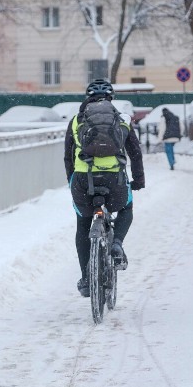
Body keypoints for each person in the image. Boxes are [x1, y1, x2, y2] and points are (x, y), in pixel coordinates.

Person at [64, 79, 145, 297]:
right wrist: (138, 181)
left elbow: (68, 158)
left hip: (83, 182)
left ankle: (86, 278)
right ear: (111, 99)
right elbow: (135, 154)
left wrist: (72, 182)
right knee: (126, 209)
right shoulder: (122, 120)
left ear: (87, 98)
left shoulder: (75, 121)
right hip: (115, 181)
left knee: (83, 225)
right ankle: (116, 243)